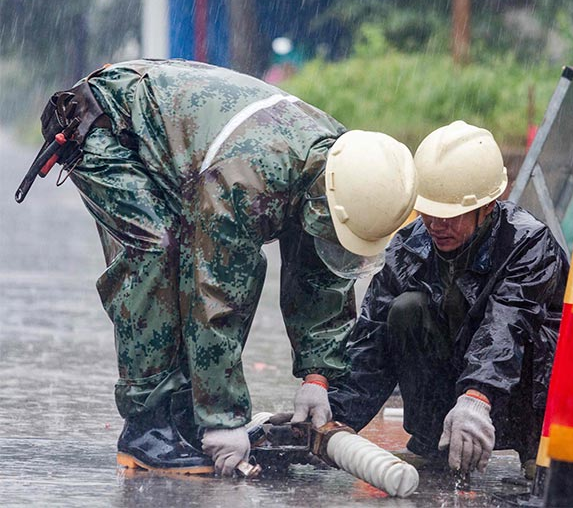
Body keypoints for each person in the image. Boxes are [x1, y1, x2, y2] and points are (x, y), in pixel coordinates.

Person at [28, 59, 417, 476]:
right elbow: (215, 293)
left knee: (204, 252)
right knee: (158, 250)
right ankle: (148, 426)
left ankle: (184, 418)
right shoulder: (248, 176)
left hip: (180, 146)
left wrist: (318, 378)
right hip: (103, 125)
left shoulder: (345, 166)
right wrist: (223, 418)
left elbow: (317, 273)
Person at [328, 121, 569, 476]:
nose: (435, 225)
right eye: (427, 211)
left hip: (524, 391)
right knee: (406, 309)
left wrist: (477, 396)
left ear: (487, 207)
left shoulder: (528, 244)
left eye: (449, 215)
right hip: (462, 378)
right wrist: (335, 418)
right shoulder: (410, 244)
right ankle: (431, 442)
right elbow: (372, 339)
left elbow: (505, 327)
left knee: (538, 335)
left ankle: (536, 448)